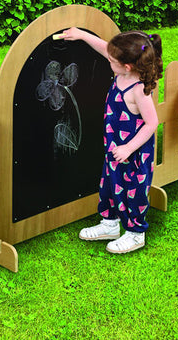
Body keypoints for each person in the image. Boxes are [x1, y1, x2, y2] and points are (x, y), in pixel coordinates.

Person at [60, 28, 162, 253]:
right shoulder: (123, 74)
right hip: (115, 148)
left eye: (112, 60)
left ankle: (136, 233)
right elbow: (106, 49)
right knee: (109, 185)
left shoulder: (139, 90)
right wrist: (82, 35)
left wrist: (128, 148)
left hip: (134, 154)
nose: (108, 59)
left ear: (127, 66)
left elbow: (152, 123)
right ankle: (110, 224)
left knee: (133, 191)